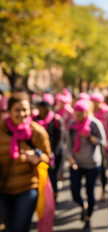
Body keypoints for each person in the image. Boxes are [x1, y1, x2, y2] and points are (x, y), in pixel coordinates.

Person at [0, 91, 51, 232]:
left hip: (27, 188)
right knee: (9, 227)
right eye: (17, 110)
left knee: (19, 228)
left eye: (25, 110)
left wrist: (36, 157)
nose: (22, 114)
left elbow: (48, 159)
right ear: (9, 111)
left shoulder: (38, 132)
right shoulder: (1, 128)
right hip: (3, 189)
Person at [66, 99, 106, 232]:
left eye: (81, 114)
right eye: (76, 114)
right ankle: (83, 204)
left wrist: (90, 137)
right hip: (76, 163)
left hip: (92, 164)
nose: (78, 117)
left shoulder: (95, 124)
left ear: (87, 112)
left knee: (90, 192)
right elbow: (68, 146)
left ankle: (88, 219)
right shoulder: (72, 125)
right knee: (75, 193)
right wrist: (71, 160)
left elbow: (103, 142)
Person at [33, 93, 64, 200]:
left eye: (43, 108)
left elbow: (59, 139)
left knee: (53, 176)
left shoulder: (56, 119)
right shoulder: (35, 119)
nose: (41, 110)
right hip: (40, 153)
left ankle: (54, 197)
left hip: (55, 153)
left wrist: (52, 153)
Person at [90, 92, 108, 200]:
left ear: (100, 102)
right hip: (93, 144)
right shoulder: (90, 112)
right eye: (91, 102)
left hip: (106, 144)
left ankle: (103, 189)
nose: (92, 104)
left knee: (103, 168)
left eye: (94, 102)